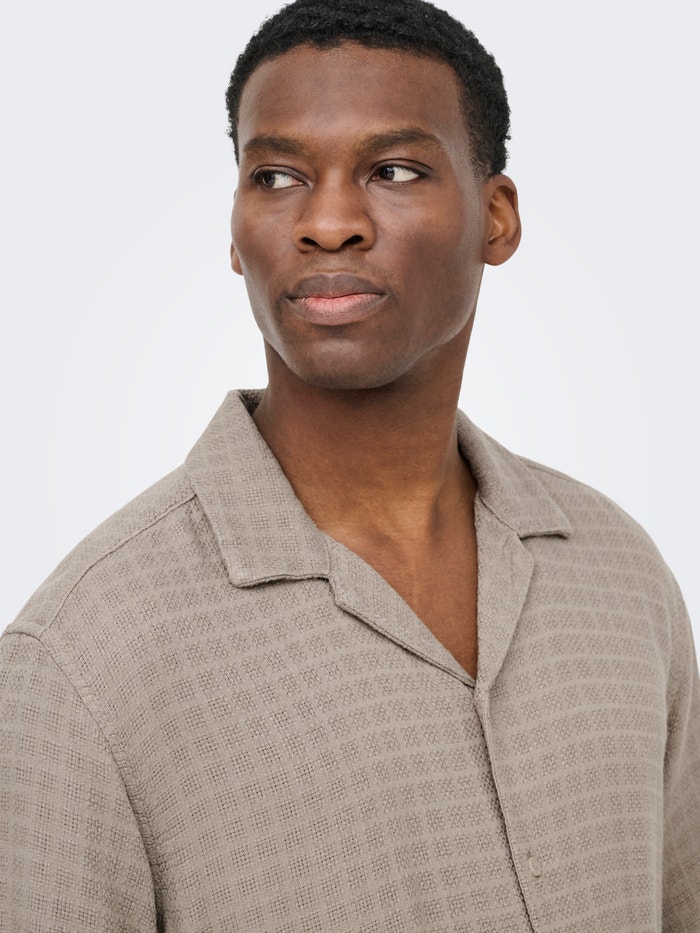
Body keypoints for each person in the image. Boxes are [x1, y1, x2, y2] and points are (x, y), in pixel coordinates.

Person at [1, 0, 698, 929]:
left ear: (496, 218)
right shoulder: (80, 662)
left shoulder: (622, 574)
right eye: (277, 176)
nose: (328, 222)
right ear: (236, 229)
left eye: (394, 170)